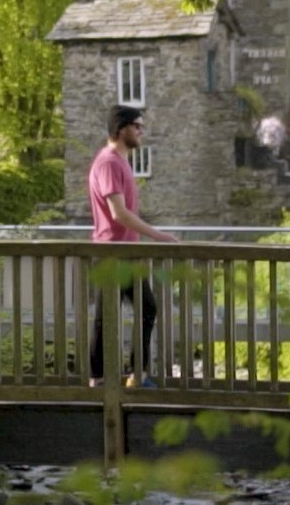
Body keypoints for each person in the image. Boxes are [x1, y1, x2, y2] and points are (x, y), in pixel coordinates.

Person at [86, 105, 178, 389]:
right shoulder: (109, 162)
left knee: (134, 311)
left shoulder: (120, 161)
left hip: (122, 251)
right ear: (121, 128)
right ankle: (115, 378)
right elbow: (119, 214)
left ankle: (128, 376)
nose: (141, 131)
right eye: (137, 126)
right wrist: (157, 235)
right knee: (120, 314)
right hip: (112, 252)